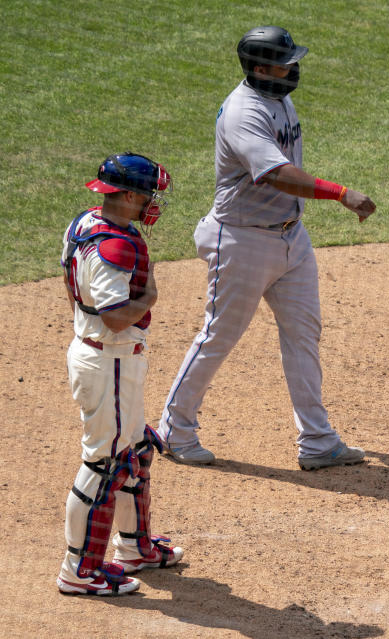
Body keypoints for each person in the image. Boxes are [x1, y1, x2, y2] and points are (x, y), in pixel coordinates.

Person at [158, 26, 376, 469]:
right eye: (285, 61)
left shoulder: (277, 95)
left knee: (304, 334)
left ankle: (317, 440)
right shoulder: (244, 111)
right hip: (242, 238)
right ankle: (173, 429)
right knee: (219, 335)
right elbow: (275, 173)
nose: (294, 67)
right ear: (260, 68)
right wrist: (340, 193)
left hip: (290, 235)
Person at [58, 153, 184, 595]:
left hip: (104, 355)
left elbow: (71, 291)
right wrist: (149, 297)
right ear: (129, 195)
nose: (152, 202)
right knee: (104, 463)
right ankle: (80, 570)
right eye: (148, 194)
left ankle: (134, 547)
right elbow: (114, 316)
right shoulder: (115, 247)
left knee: (136, 450)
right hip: (108, 358)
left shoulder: (84, 224)